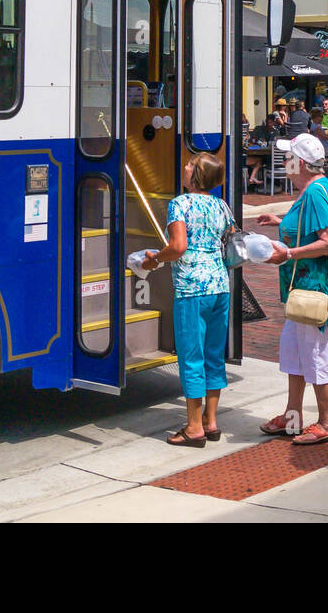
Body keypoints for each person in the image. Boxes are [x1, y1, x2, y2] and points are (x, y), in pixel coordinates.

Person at [255, 134, 328, 445]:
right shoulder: (312, 189)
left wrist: (290, 253)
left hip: (315, 288)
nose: (285, 162)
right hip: (302, 287)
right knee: (295, 352)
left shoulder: (315, 193)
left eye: (288, 157)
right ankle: (293, 416)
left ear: (301, 163)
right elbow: (311, 228)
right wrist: (282, 222)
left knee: (315, 354)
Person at [142, 153, 233, 447]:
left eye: (190, 165)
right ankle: (211, 421)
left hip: (192, 288)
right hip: (220, 285)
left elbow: (178, 247)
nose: (185, 166)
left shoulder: (180, 204)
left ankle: (193, 428)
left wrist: (155, 258)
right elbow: (229, 238)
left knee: (191, 357)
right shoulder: (222, 205)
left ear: (196, 175)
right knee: (213, 355)